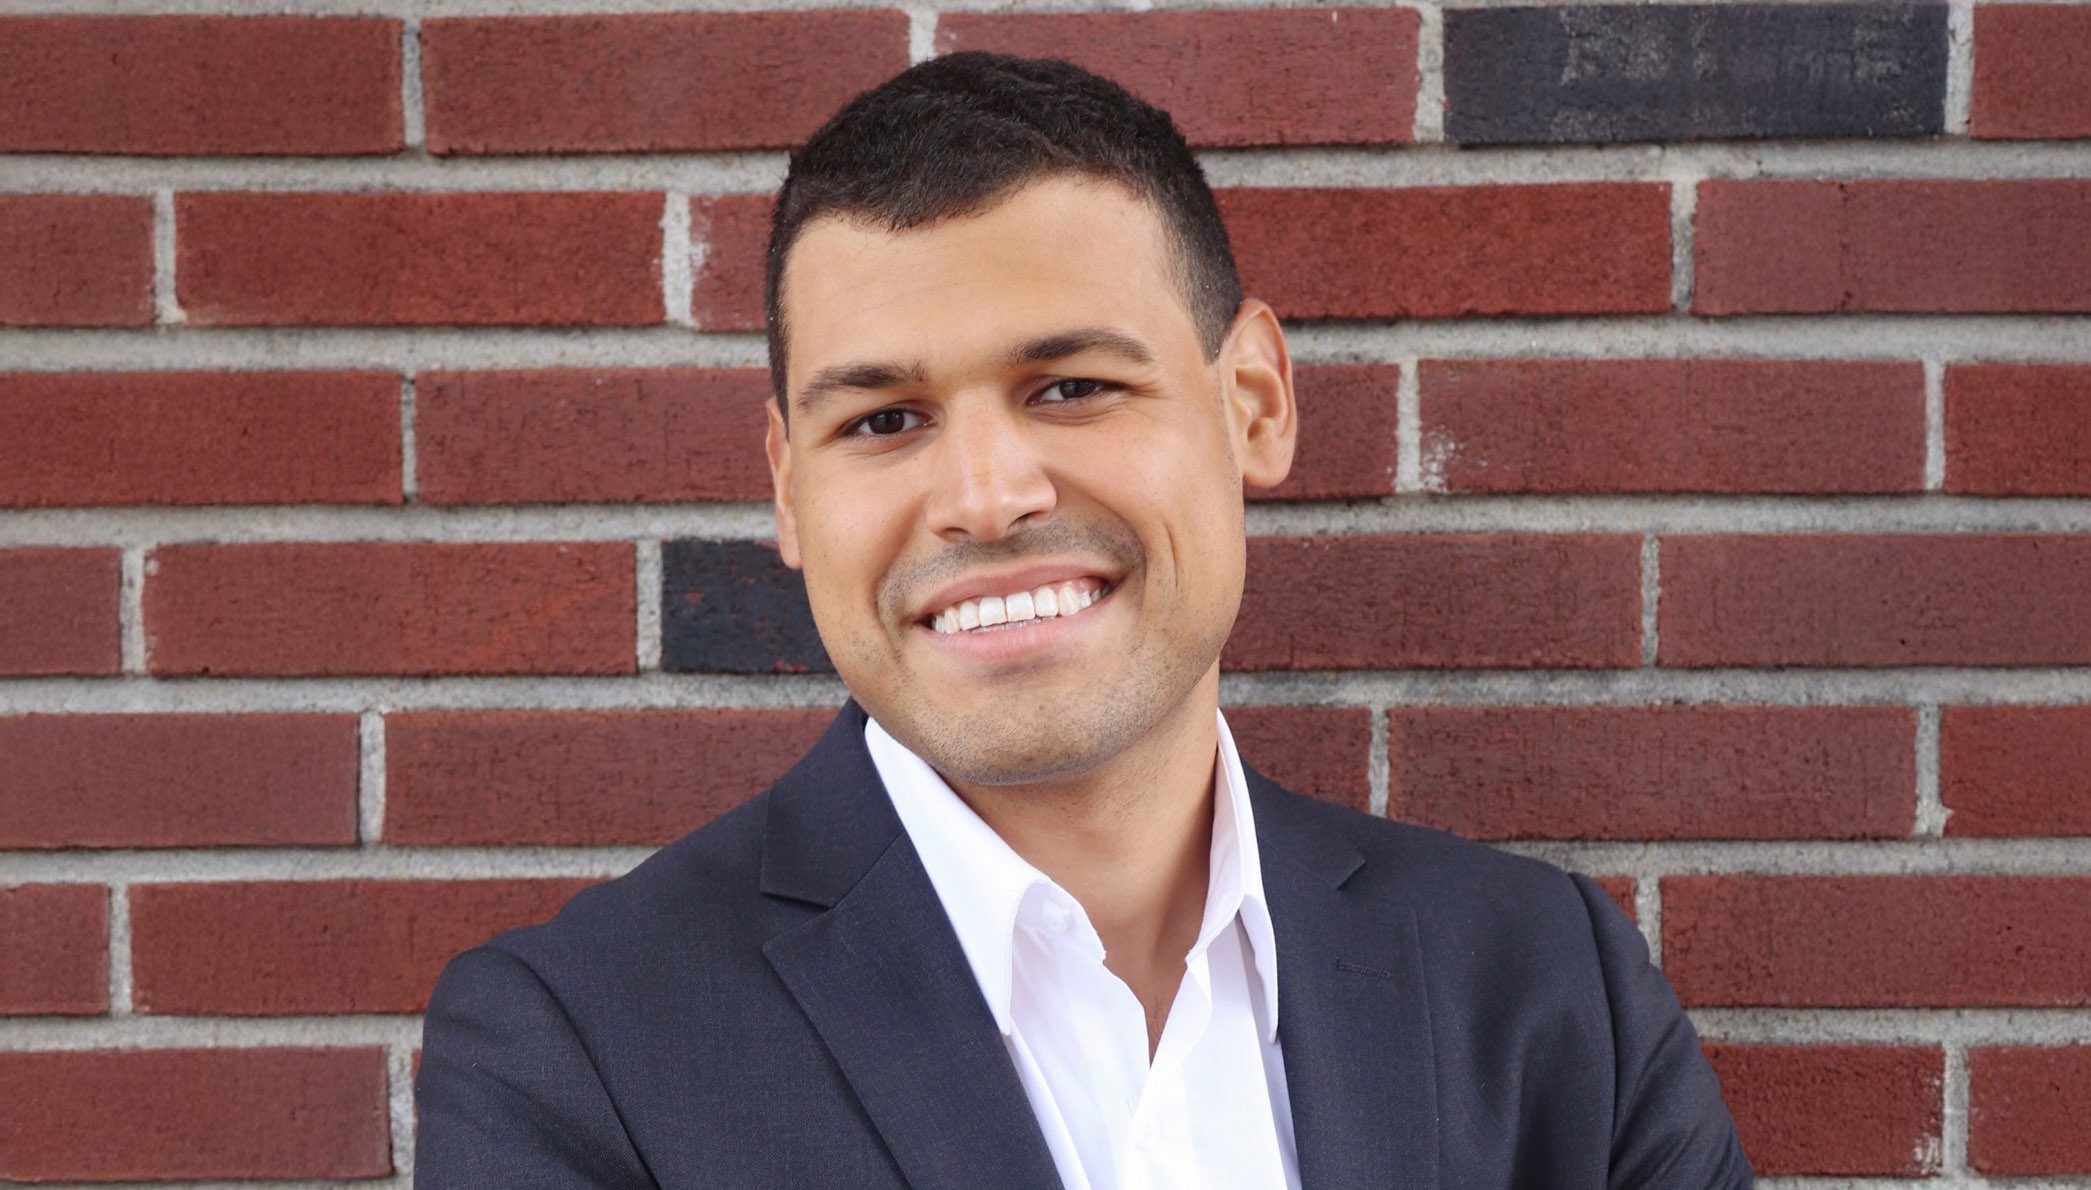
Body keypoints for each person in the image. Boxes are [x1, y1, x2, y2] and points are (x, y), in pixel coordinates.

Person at [414, 51, 1753, 1188]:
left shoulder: (1551, 991)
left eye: (1070, 388)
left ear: (1255, 405)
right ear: (787, 489)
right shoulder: (577, 1048)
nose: (988, 498)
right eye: (884, 421)